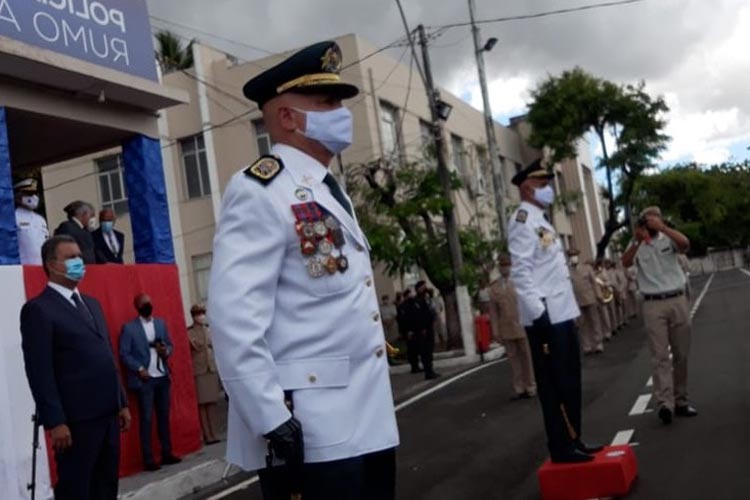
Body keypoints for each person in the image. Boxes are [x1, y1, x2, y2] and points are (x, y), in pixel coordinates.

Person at [207, 41, 399, 500]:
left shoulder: (327, 189)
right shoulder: (260, 189)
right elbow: (234, 318)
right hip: (311, 430)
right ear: (288, 117)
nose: (340, 111)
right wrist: (270, 417)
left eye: (339, 101)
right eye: (326, 102)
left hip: (367, 420)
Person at [20, 235, 130, 500]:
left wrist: (121, 401)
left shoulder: (91, 304)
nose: (78, 262)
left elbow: (106, 356)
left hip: (107, 414)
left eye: (79, 256)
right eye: (70, 257)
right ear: (51, 265)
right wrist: (55, 421)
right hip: (76, 422)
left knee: (105, 487)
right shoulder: (39, 310)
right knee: (77, 488)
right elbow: (39, 371)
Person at [508, 159, 602, 463]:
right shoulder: (523, 221)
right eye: (542, 184)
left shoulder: (542, 221)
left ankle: (574, 438)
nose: (548, 189)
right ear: (526, 187)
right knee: (554, 384)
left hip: (561, 312)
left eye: (548, 184)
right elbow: (520, 272)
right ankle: (561, 447)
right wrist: (539, 314)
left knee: (570, 380)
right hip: (546, 317)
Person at [622, 207, 697, 425]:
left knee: (681, 353)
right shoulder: (636, 243)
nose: (650, 223)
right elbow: (625, 263)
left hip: (677, 299)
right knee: (659, 356)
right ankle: (666, 403)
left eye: (654, 219)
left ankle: (681, 400)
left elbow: (684, 244)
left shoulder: (668, 237)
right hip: (653, 304)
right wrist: (636, 241)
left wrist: (663, 228)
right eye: (647, 219)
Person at [119, 293, 182, 470]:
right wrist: (139, 369)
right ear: (137, 307)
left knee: (163, 416)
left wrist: (166, 351)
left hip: (162, 376)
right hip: (145, 380)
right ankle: (148, 459)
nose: (147, 305)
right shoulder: (130, 328)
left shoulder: (160, 324)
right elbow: (124, 353)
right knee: (146, 419)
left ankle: (167, 453)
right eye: (143, 304)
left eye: (149, 302)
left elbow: (170, 344)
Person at [488, 254, 537, 399]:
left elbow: (529, 302)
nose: (505, 268)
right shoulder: (494, 287)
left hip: (523, 324)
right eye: (502, 266)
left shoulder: (520, 281)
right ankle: (519, 387)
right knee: (513, 359)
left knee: (527, 356)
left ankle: (531, 385)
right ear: (499, 267)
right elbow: (493, 312)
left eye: (507, 265)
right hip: (506, 327)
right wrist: (495, 331)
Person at [187, 304, 221, 445]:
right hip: (199, 369)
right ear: (194, 316)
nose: (201, 316)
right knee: (202, 404)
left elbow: (214, 345)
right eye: (198, 314)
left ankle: (214, 432)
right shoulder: (190, 332)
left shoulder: (208, 329)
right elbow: (196, 345)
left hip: (210, 368)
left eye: (202, 313)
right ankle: (207, 434)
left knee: (212, 402)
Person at [568, 249, 604, 355]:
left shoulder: (587, 268)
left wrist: (599, 295)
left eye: (574, 255)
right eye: (571, 256)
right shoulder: (568, 271)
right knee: (582, 324)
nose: (573, 257)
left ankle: (598, 343)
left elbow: (594, 283)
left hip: (590, 298)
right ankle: (587, 346)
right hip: (577, 301)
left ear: (578, 256)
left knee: (594, 321)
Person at [14, 178, 48, 264]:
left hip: (42, 266)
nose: (34, 197)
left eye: (35, 194)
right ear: (19, 196)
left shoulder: (40, 219)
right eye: (29, 194)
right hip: (24, 267)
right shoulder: (14, 217)